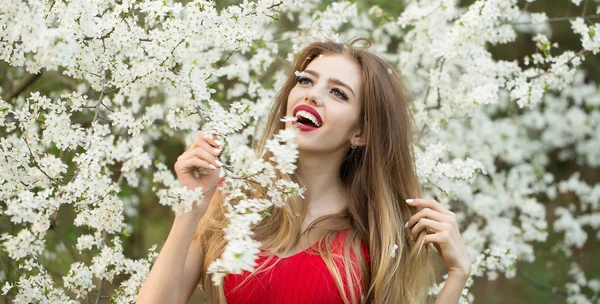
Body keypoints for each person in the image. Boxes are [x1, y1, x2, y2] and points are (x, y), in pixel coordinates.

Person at [137, 38, 472, 304]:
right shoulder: (232, 203)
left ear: (361, 132)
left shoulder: (376, 235)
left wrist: (457, 274)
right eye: (306, 81)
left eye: (338, 93)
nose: (313, 95)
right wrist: (191, 208)